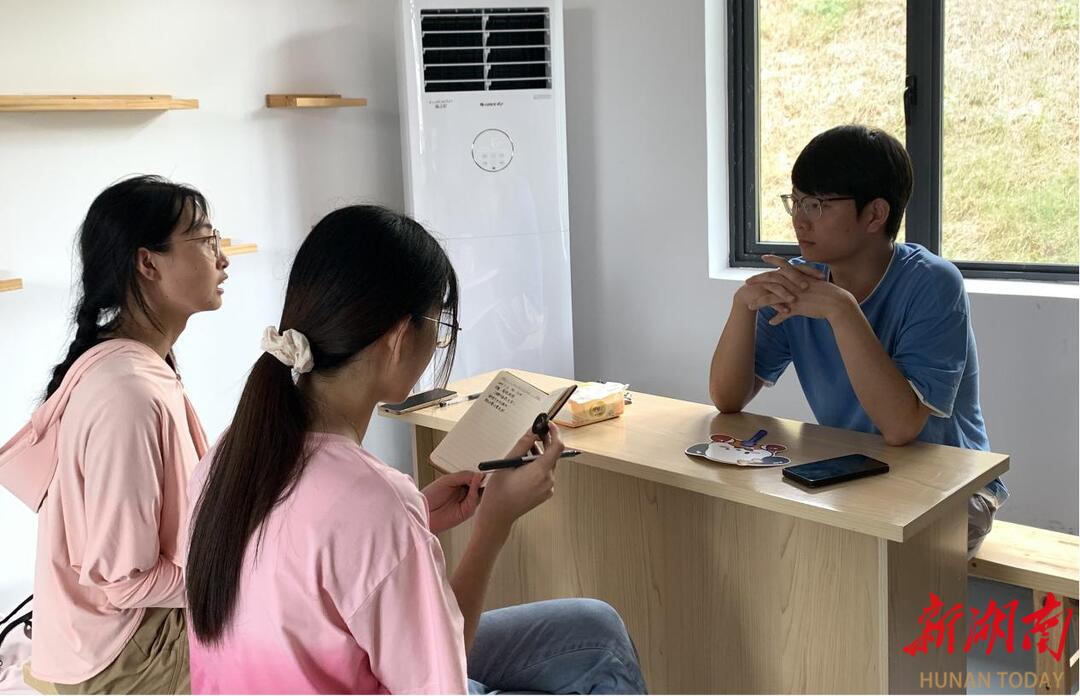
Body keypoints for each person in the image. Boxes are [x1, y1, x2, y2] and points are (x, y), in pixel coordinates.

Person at [185, 205, 646, 694]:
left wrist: (417, 518)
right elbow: (440, 683)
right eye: (439, 325)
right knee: (598, 658)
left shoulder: (231, 452)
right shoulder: (373, 501)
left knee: (595, 631)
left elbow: (309, 560)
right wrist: (493, 524)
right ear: (400, 336)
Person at [708, 125, 1007, 558]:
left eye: (818, 205)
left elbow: (901, 427)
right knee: (755, 537)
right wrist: (742, 307)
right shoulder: (802, 282)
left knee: (830, 560)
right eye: (796, 201)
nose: (799, 219)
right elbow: (727, 398)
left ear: (874, 215)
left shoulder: (933, 283)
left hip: (953, 489)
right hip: (853, 476)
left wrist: (842, 311)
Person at [0, 175, 228, 692]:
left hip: (120, 638)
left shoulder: (137, 367)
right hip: (123, 656)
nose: (222, 258)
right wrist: (233, 576)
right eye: (206, 239)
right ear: (148, 263)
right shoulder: (128, 393)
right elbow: (124, 581)